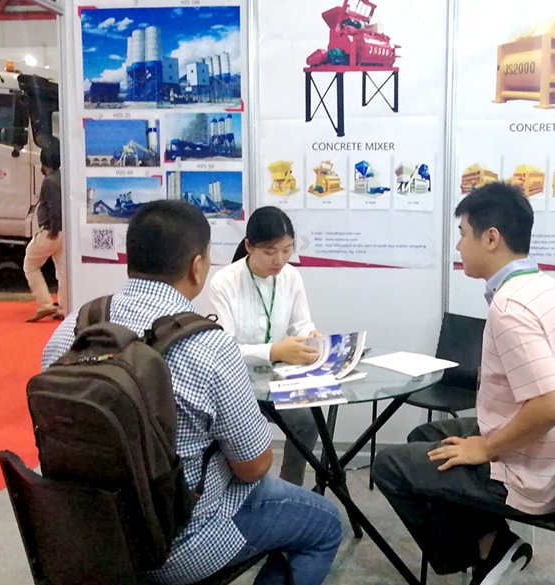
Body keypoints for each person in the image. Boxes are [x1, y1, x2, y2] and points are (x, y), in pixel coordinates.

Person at [41, 200, 342, 585]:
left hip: (86, 532)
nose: (279, 259)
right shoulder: (208, 347)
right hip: (178, 540)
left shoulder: (73, 328)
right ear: (197, 267)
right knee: (325, 524)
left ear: (131, 258)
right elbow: (253, 466)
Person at [372, 182, 555, 585]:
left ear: (491, 238)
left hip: (531, 476)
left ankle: (483, 555)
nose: (459, 246)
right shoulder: (551, 288)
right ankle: (493, 542)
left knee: (389, 466)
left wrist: (488, 447)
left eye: (463, 234)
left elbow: (552, 405)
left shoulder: (510, 306)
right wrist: (523, 413)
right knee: (425, 436)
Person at [209, 206, 320, 487]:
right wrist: (273, 351)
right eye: (270, 252)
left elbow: (300, 323)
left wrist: (309, 336)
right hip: (236, 385)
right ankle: (238, 490)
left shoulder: (291, 276)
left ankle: (291, 485)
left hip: (279, 380)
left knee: (307, 421)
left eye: (287, 250)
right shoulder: (224, 282)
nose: (279, 260)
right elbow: (224, 349)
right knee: (245, 439)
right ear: (249, 246)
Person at [24, 139, 66, 322]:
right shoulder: (62, 177)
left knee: (30, 264)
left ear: (44, 163)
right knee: (62, 271)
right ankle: (64, 307)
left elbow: (54, 208)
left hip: (51, 231)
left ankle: (45, 304)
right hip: (64, 232)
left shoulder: (49, 181)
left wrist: (53, 230)